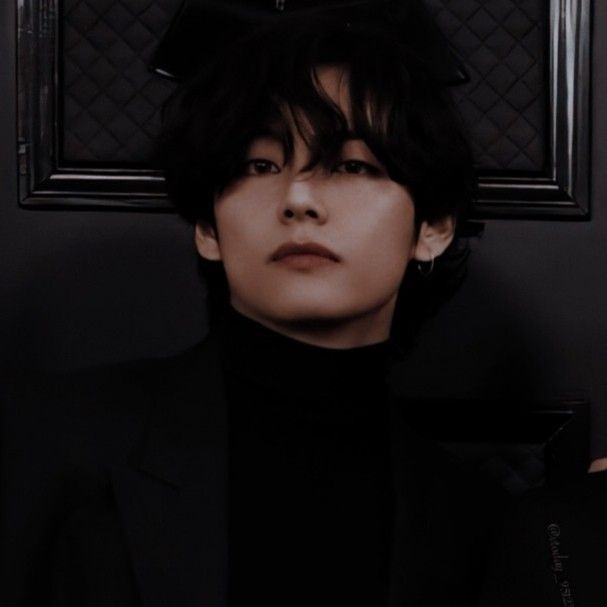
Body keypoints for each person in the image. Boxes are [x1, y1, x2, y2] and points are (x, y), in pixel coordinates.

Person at [1, 2, 505, 606]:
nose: (298, 198)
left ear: (434, 226)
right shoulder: (45, 441)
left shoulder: (474, 519)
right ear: (207, 227)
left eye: (351, 165)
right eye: (260, 164)